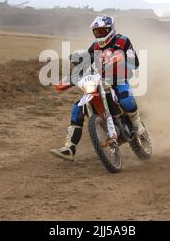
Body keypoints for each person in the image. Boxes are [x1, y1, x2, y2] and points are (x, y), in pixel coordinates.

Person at [50, 15, 144, 161]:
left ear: (110, 29)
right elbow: (85, 64)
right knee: (77, 109)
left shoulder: (122, 40)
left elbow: (135, 63)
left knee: (125, 99)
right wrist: (71, 76)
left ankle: (137, 123)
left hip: (119, 79)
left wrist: (120, 58)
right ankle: (70, 148)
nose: (99, 34)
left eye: (102, 31)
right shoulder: (94, 47)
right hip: (99, 81)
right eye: (96, 32)